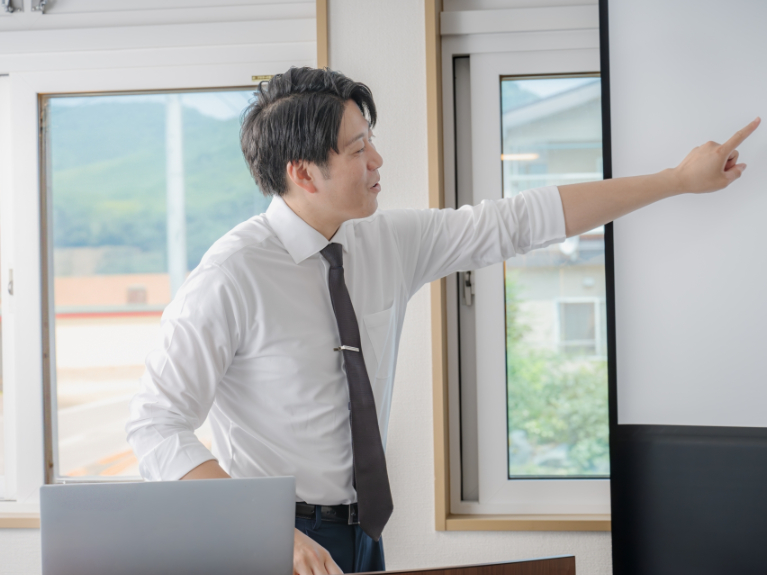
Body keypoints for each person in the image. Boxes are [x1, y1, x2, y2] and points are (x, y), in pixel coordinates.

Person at [126, 66, 759, 575]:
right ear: (302, 173)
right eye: (357, 148)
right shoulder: (230, 276)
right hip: (278, 543)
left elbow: (518, 220)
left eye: (370, 139)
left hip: (366, 533)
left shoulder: (382, 241)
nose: (377, 160)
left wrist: (677, 180)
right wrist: (269, 531)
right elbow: (155, 425)